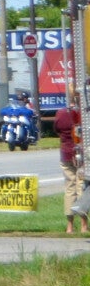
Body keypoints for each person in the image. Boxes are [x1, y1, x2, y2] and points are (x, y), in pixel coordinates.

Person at [57, 98, 83, 235]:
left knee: (69, 188)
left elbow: (57, 129)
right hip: (81, 154)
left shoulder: (61, 113)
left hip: (66, 153)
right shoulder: (82, 113)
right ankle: (84, 225)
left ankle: (70, 226)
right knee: (82, 187)